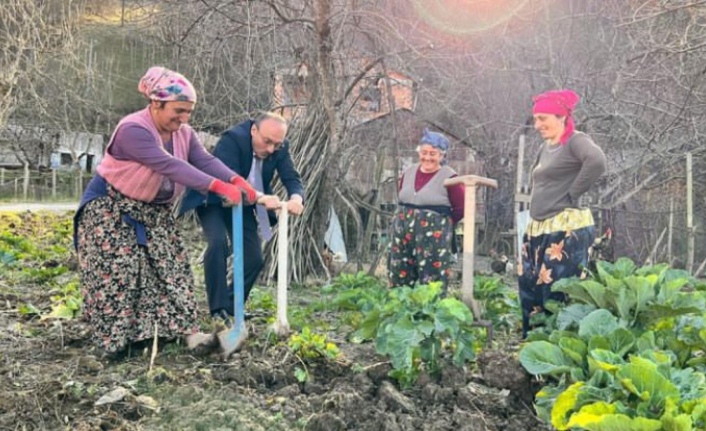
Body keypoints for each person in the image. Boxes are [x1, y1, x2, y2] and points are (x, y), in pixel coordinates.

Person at [74, 66, 266, 357]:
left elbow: (204, 160)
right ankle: (115, 342)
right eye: (179, 110)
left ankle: (188, 334)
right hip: (111, 208)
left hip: (154, 212)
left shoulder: (184, 133)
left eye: (188, 111)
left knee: (173, 268)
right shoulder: (132, 129)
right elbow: (169, 166)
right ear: (155, 103)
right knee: (120, 272)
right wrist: (217, 187)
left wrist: (235, 180)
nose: (184, 118)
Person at [180, 112, 305, 322]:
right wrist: (262, 198)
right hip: (213, 200)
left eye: (277, 144)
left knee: (254, 257)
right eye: (267, 142)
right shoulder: (233, 139)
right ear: (254, 130)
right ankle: (217, 309)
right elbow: (227, 178)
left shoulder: (279, 146)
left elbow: (291, 176)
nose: (271, 149)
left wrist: (296, 198)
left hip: (247, 204)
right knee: (218, 243)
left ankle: (231, 306)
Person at [519, 89, 607, 337]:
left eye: (543, 118)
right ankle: (533, 344)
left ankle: (556, 347)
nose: (537, 125)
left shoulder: (576, 141)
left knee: (555, 291)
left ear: (561, 118)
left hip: (566, 228)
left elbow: (597, 161)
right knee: (529, 287)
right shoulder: (546, 147)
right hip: (539, 226)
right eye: (536, 119)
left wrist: (572, 194)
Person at [388, 128, 465, 290]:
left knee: (432, 276)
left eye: (433, 153)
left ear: (442, 155)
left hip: (433, 236)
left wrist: (439, 223)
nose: (427, 157)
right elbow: (402, 197)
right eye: (424, 152)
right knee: (400, 271)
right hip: (403, 232)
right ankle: (400, 308)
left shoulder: (450, 177)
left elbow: (460, 208)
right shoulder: (408, 172)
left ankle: (431, 310)